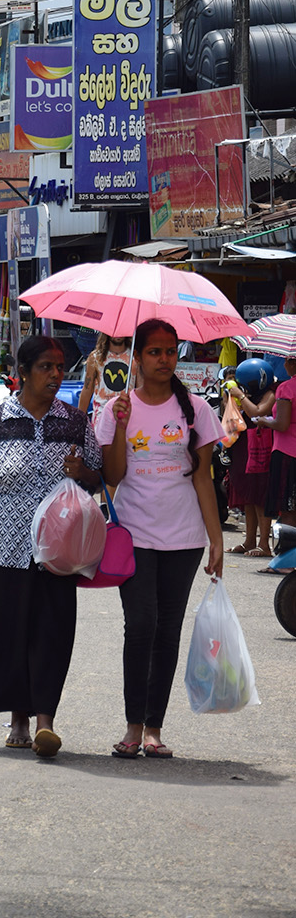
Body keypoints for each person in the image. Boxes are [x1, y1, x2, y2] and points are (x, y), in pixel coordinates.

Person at [0, 336, 103, 758]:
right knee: (5, 635)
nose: (56, 374)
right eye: (47, 367)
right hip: (1, 548)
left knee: (52, 634)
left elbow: (100, 479)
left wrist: (83, 470)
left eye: (60, 367)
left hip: (58, 552)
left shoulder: (74, 421)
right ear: (24, 372)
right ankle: (18, 715)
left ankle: (45, 720)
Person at [96, 319, 226, 760]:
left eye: (171, 351)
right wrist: (119, 425)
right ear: (136, 358)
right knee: (142, 626)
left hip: (184, 538)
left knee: (168, 630)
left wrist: (216, 540)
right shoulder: (116, 407)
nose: (164, 359)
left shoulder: (196, 411)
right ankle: (133, 726)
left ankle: (154, 728)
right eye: (154, 352)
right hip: (133, 533)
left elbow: (203, 479)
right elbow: (112, 476)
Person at [224, 360, 276, 557]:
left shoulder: (269, 394)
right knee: (247, 494)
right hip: (243, 447)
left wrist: (240, 395)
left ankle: (264, 544)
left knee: (259, 495)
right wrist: (230, 397)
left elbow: (257, 412)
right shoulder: (248, 395)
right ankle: (249, 540)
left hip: (260, 450)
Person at [254, 355, 296, 532]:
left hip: (288, 452)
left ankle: (288, 555)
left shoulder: (286, 388)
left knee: (287, 510)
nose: (284, 364)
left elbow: (282, 423)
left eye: (287, 360)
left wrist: (263, 421)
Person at [78, 332, 134, 415]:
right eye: (115, 330)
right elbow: (87, 389)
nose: (118, 334)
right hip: (101, 414)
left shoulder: (135, 358)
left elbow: (141, 389)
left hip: (128, 415)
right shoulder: (95, 357)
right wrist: (79, 419)